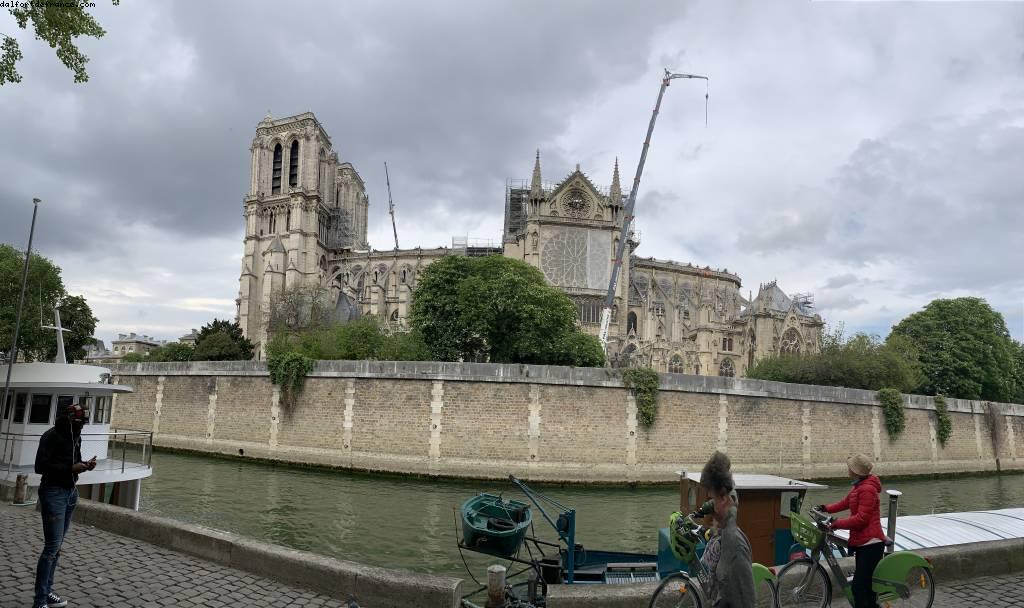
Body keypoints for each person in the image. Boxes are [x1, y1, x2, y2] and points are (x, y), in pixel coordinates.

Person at [32, 403, 95, 608]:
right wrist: (70, 467)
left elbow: (73, 463)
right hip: (53, 493)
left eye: (83, 423)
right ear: (69, 420)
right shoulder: (51, 436)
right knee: (51, 548)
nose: (82, 426)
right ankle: (39, 600)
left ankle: (48, 591)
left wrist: (85, 466)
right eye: (79, 423)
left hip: (70, 493)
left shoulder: (75, 434)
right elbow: (40, 467)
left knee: (57, 548)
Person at [818, 453, 885, 608]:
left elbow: (861, 519)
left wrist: (837, 523)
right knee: (866, 588)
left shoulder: (867, 490)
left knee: (859, 587)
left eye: (850, 467)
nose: (847, 469)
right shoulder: (859, 487)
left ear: (855, 471)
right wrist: (825, 508)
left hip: (871, 543)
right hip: (864, 543)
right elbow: (845, 503)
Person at [700, 450, 754, 608]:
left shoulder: (735, 546)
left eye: (713, 499)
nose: (711, 504)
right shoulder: (724, 536)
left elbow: (746, 601)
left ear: (723, 498)